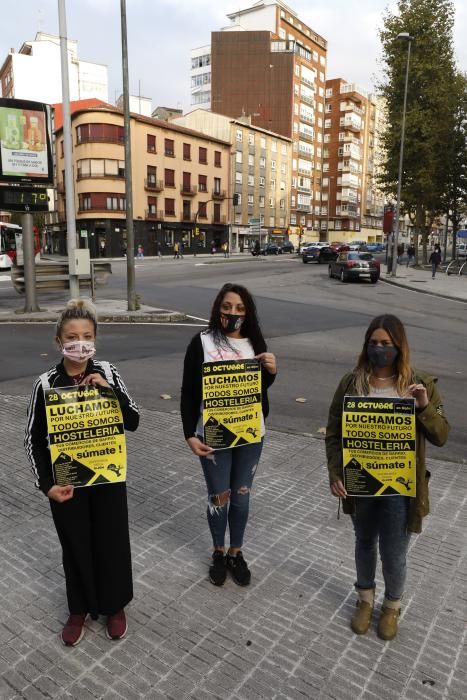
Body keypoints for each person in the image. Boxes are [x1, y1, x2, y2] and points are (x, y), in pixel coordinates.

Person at [325, 314, 449, 641]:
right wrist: (336, 472)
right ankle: (365, 598)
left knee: (394, 552)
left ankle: (392, 605)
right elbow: (334, 434)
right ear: (366, 345)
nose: (380, 349)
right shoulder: (352, 383)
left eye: (387, 344)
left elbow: (441, 436)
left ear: (399, 346)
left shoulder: (419, 384)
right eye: (374, 343)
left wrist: (423, 406)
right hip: (362, 483)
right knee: (364, 542)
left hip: (399, 488)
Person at [24, 299, 140, 647]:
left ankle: (114, 605)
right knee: (74, 544)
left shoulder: (108, 371)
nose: (80, 343)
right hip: (67, 483)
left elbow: (133, 420)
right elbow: (32, 440)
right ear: (59, 341)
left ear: (95, 339)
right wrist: (46, 486)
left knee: (112, 541)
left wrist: (110, 391)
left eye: (87, 336)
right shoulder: (46, 383)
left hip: (107, 478)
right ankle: (79, 609)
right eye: (72, 337)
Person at [181, 283, 277, 587]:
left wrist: (271, 373)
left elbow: (257, 391)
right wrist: (189, 434)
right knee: (218, 497)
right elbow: (188, 391)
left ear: (247, 313)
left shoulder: (255, 343)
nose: (232, 314)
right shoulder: (202, 343)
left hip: (250, 436)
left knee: (241, 498)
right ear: (217, 309)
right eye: (226, 308)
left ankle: (237, 551)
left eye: (239, 309)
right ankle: (218, 552)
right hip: (213, 437)